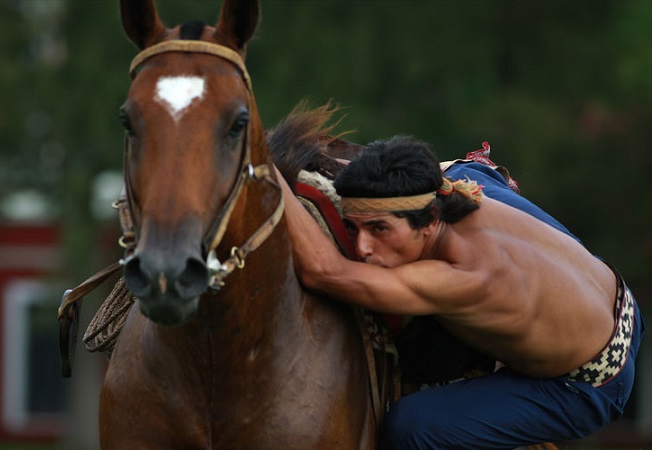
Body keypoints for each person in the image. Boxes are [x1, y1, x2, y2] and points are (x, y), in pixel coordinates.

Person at [276, 136, 644, 449]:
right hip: (612, 295)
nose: (363, 248)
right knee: (470, 172)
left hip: (590, 383)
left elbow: (325, 272)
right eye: (357, 229)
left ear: (430, 221)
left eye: (379, 230)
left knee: (410, 427)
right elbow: (372, 172)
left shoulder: (467, 277)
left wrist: (261, 167)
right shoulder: (446, 185)